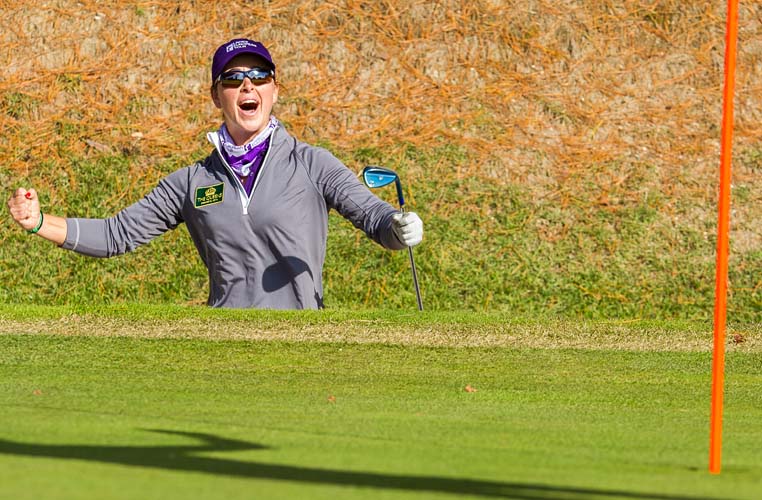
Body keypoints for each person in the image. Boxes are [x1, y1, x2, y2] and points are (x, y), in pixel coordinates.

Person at [7, 38, 424, 309]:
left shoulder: (311, 163)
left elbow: (374, 217)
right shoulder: (193, 182)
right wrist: (39, 223)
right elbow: (117, 235)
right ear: (216, 94)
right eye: (233, 78)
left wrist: (398, 226)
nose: (248, 86)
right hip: (221, 342)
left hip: (303, 340)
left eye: (259, 77)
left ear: (274, 91)